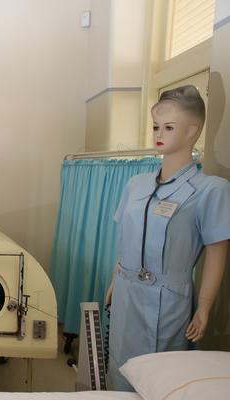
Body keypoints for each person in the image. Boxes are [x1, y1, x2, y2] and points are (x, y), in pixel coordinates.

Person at [105, 85, 230, 391]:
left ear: (192, 131)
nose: (159, 133)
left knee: (158, 377)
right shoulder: (136, 184)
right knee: (120, 367)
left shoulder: (210, 190)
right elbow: (128, 239)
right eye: (156, 126)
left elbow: (217, 252)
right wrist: (114, 279)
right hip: (125, 291)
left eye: (169, 127)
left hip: (167, 297)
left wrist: (205, 306)